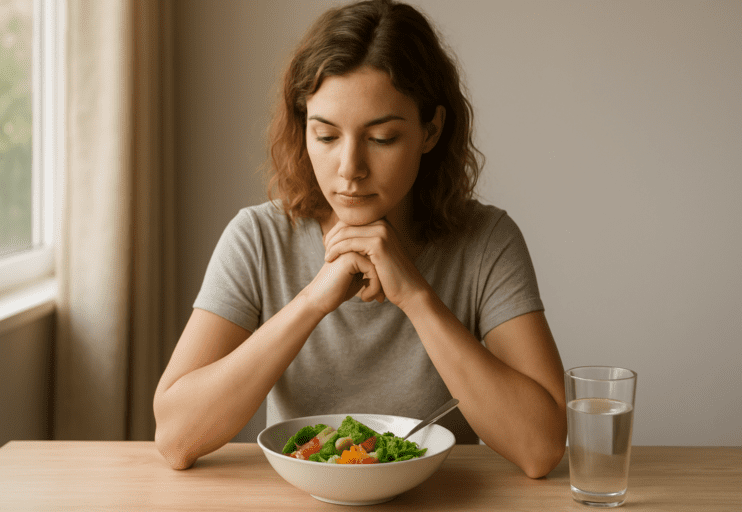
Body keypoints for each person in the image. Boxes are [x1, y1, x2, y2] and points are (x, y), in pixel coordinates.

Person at [153, 0, 566, 478]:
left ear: (430, 130)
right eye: (326, 136)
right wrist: (312, 300)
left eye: (383, 138)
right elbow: (176, 438)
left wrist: (414, 296)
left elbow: (541, 448)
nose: (349, 169)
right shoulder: (258, 238)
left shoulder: (487, 241)